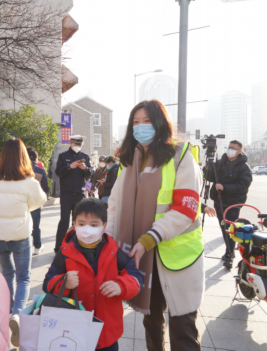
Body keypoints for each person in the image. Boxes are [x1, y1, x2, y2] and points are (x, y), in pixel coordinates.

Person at [107, 100, 204, 351]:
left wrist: (149, 238)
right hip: (142, 256)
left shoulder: (181, 154)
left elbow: (186, 208)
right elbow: (115, 208)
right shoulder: (129, 160)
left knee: (183, 328)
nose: (141, 128)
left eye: (147, 121)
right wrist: (107, 244)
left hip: (176, 257)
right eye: (136, 122)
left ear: (160, 123)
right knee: (151, 322)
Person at [43, 198, 143, 351]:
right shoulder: (65, 253)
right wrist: (64, 282)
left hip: (107, 331)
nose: (87, 229)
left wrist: (120, 285)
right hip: (74, 330)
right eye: (82, 224)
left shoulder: (115, 253)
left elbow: (137, 278)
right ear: (74, 224)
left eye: (94, 224)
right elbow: (47, 283)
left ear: (104, 227)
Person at [0, 138, 47, 347]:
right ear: (23, 156)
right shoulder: (29, 182)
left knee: (7, 274)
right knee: (24, 278)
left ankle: (6, 311)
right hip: (20, 234)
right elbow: (39, 201)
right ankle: (17, 316)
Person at [204, 139, 252, 269]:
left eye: (234, 148)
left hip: (234, 202)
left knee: (231, 229)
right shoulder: (220, 162)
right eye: (229, 147)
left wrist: (224, 187)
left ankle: (229, 254)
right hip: (219, 201)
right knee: (224, 228)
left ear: (240, 151)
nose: (230, 150)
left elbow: (243, 185)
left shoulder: (244, 167)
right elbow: (209, 177)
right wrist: (206, 168)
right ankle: (229, 251)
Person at [54, 135, 94, 253]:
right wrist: (69, 167)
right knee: (64, 221)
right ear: (71, 143)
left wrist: (84, 168)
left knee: (79, 222)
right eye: (76, 144)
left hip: (80, 195)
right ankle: (58, 247)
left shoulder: (85, 157)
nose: (78, 147)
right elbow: (58, 173)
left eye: (80, 145)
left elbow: (89, 175)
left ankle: (78, 246)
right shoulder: (63, 156)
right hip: (66, 194)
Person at [27, 147, 49, 255]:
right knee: (36, 226)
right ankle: (37, 247)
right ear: (36, 158)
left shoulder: (19, 170)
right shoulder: (40, 171)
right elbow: (45, 188)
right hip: (35, 203)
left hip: (22, 202)